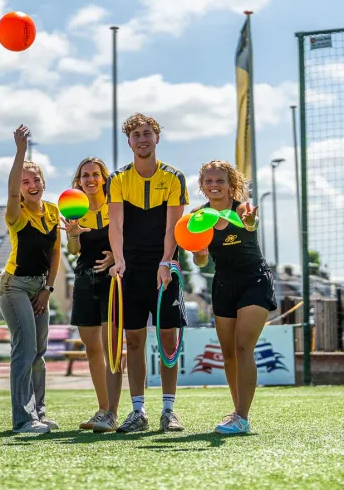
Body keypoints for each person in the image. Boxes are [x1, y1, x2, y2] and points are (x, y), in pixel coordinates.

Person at [107, 113, 189, 433]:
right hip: (132, 269)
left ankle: (169, 411)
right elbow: (116, 224)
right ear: (129, 142)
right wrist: (119, 260)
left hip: (163, 268)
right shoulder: (118, 178)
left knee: (168, 340)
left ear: (157, 138)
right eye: (136, 135)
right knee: (135, 340)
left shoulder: (173, 177)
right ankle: (138, 411)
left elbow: (173, 227)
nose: (142, 139)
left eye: (147, 133)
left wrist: (166, 261)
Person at [189, 161, 276, 435]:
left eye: (220, 181)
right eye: (209, 181)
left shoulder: (242, 209)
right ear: (202, 186)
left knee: (242, 348)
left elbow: (251, 225)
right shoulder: (198, 216)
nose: (214, 185)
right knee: (228, 354)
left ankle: (242, 416)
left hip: (254, 280)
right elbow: (201, 260)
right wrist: (200, 255)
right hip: (223, 283)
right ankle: (237, 411)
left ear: (230, 184)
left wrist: (251, 224)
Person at [0, 125, 62, 434]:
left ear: (44, 183)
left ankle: (39, 412)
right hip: (14, 286)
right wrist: (21, 151)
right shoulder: (16, 212)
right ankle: (22, 420)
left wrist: (48, 290)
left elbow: (56, 254)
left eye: (36, 179)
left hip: (40, 287)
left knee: (38, 353)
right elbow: (10, 191)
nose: (31, 184)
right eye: (26, 181)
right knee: (23, 351)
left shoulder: (52, 211)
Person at [63, 157, 124, 432]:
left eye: (95, 174)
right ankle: (102, 409)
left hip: (112, 282)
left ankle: (113, 411)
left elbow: (128, 237)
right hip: (84, 281)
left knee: (112, 349)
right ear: (79, 181)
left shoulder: (116, 206)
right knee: (92, 349)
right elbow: (74, 251)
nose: (90, 179)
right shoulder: (75, 210)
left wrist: (115, 256)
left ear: (104, 178)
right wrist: (73, 234)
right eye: (85, 175)